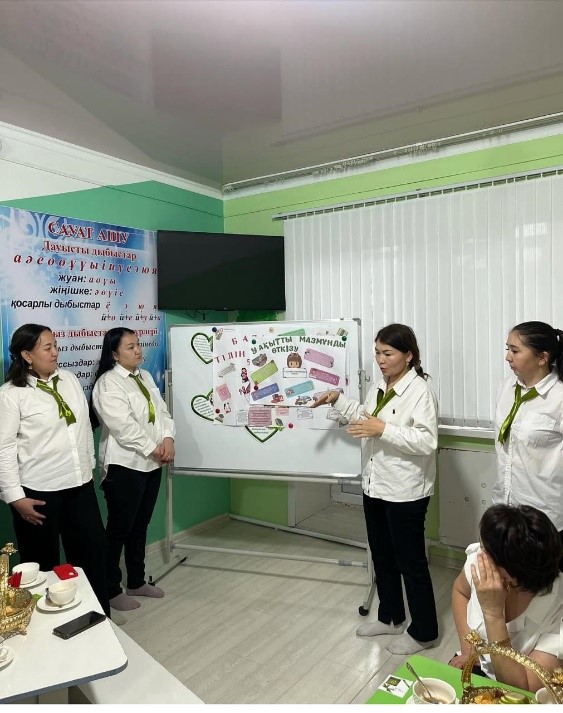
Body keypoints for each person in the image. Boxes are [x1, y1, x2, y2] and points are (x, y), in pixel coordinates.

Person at [312, 323, 439, 655]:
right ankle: (391, 616)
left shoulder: (420, 391)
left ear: (408, 356)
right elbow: (366, 416)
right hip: (374, 484)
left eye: (388, 353)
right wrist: (339, 400)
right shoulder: (380, 386)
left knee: (410, 562)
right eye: (378, 353)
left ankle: (424, 631)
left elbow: (426, 441)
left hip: (405, 490)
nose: (381, 360)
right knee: (381, 555)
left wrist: (383, 429)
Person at [0, 324, 109, 615]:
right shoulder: (11, 394)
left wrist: (88, 467)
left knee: (92, 555)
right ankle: (50, 628)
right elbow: (4, 448)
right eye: (47, 348)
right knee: (42, 565)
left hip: (79, 486)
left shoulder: (69, 380)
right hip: (38, 493)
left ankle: (98, 619)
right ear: (27, 355)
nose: (55, 352)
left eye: (55, 345)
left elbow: (83, 429)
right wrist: (15, 497)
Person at [92, 327, 175, 612]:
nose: (138, 350)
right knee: (119, 529)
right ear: (114, 354)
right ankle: (110, 588)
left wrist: (168, 438)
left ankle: (137, 581)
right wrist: (155, 448)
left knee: (140, 525)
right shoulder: (108, 383)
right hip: (124, 465)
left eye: (138, 344)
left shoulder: (145, 376)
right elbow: (123, 426)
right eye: (130, 347)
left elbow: (162, 412)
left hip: (151, 463)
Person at [451, 504, 563, 692]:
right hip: (477, 664)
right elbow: (460, 591)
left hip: (516, 689)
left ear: (511, 576)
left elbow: (522, 688)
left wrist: (493, 614)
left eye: (486, 551)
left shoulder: (557, 607)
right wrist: (468, 649)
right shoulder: (481, 563)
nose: (479, 556)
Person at [493, 321, 563, 542]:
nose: (508, 357)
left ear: (542, 358)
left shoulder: (558, 397)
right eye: (508, 349)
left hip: (545, 514)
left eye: (515, 351)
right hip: (505, 507)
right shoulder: (505, 387)